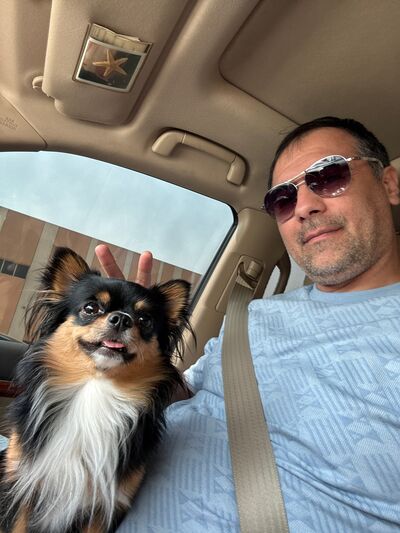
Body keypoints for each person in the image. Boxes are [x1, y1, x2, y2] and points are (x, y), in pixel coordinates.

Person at [96, 117, 400, 532]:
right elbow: (184, 396)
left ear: (389, 184)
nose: (304, 207)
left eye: (329, 176)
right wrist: (145, 345)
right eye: (283, 199)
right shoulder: (255, 316)